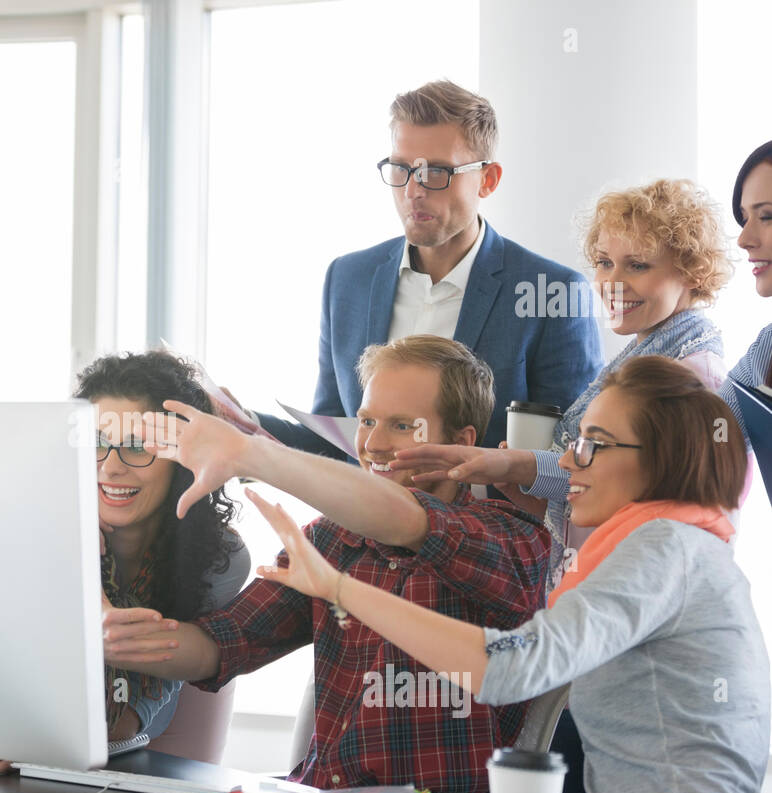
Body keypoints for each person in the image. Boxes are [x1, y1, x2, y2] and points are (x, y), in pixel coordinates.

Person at [235, 356, 771, 793]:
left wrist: (339, 587)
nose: (565, 461)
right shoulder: (678, 547)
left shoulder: (663, 550)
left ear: (661, 458)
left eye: (591, 445)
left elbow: (508, 668)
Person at [106, 335, 551, 793]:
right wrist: (135, 641)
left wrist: (249, 452)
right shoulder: (329, 539)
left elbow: (410, 518)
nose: (374, 443)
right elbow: (224, 643)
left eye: (402, 425)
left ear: (461, 444)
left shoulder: (510, 538)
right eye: (366, 421)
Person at [393, 178, 733, 589]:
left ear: (692, 272)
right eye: (605, 262)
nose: (612, 281)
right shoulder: (641, 362)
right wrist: (523, 487)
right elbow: (601, 497)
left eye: (638, 265)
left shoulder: (693, 378)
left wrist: (516, 464)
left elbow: (632, 487)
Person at [0, 351, 250, 778]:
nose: (112, 467)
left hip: (165, 750)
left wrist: (35, 735)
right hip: (44, 733)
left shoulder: (220, 555)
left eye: (137, 446)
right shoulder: (30, 526)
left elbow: (144, 697)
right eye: (96, 441)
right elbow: (0, 659)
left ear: (180, 457)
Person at [245, 79, 602, 456]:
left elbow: (572, 460)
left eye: (436, 172)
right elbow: (333, 446)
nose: (413, 190)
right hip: (363, 513)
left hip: (490, 515)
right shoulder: (347, 280)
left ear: (488, 179)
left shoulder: (553, 292)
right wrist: (237, 422)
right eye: (401, 169)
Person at [723, 138, 772, 437]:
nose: (743, 239)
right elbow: (707, 435)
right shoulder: (768, 348)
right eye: (744, 218)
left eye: (767, 216)